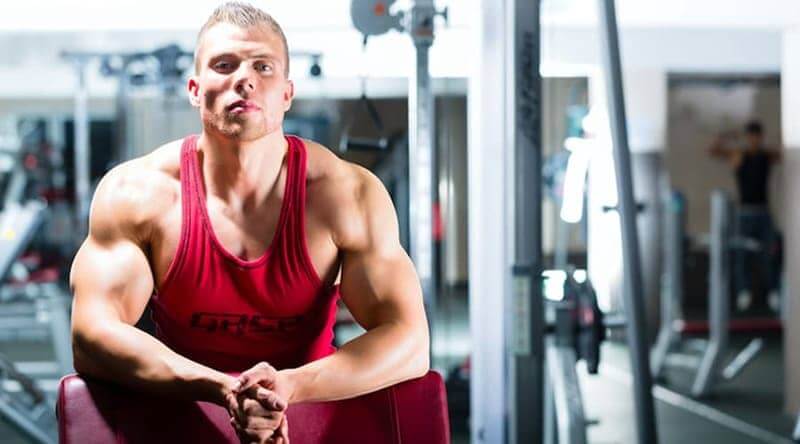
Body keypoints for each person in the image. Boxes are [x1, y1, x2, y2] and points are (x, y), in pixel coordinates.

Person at [68, 2, 430, 443]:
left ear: (286, 93)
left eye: (263, 66)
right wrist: (222, 389)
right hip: (183, 415)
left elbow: (409, 342)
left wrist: (288, 388)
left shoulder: (347, 194)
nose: (245, 78)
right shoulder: (135, 193)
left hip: (309, 412)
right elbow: (92, 335)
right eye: (225, 64)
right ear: (195, 89)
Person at [708, 119, 782, 312]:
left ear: (760, 137)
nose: (754, 141)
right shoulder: (738, 155)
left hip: (763, 211)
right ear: (747, 137)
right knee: (742, 255)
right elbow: (713, 150)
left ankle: (774, 291)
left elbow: (784, 152)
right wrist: (729, 135)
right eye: (751, 137)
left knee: (770, 254)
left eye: (757, 137)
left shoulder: (766, 156)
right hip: (744, 213)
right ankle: (744, 291)